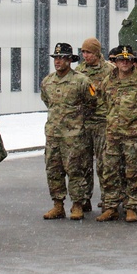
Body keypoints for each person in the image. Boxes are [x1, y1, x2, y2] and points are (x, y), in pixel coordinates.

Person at [96, 46, 137, 222]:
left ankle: (132, 207)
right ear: (115, 62)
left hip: (134, 135)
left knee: (134, 172)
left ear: (133, 62)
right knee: (110, 171)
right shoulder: (108, 81)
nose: (124, 63)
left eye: (127, 59)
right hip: (112, 135)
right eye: (120, 60)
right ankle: (111, 206)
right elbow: (102, 101)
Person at [40, 43, 96, 221]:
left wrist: (76, 121)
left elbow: (92, 103)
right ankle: (58, 204)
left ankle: (77, 204)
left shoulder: (82, 81)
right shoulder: (48, 81)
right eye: (56, 58)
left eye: (62, 57)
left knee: (75, 170)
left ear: (70, 60)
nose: (58, 61)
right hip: (53, 134)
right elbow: (47, 101)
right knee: (53, 170)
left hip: (73, 135)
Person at [77, 38, 114, 212]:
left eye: (89, 52)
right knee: (83, 163)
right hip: (84, 122)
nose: (86, 56)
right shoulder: (79, 71)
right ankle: (84, 199)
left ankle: (108, 200)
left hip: (103, 121)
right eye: (84, 52)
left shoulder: (109, 70)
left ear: (97, 53)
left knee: (104, 164)